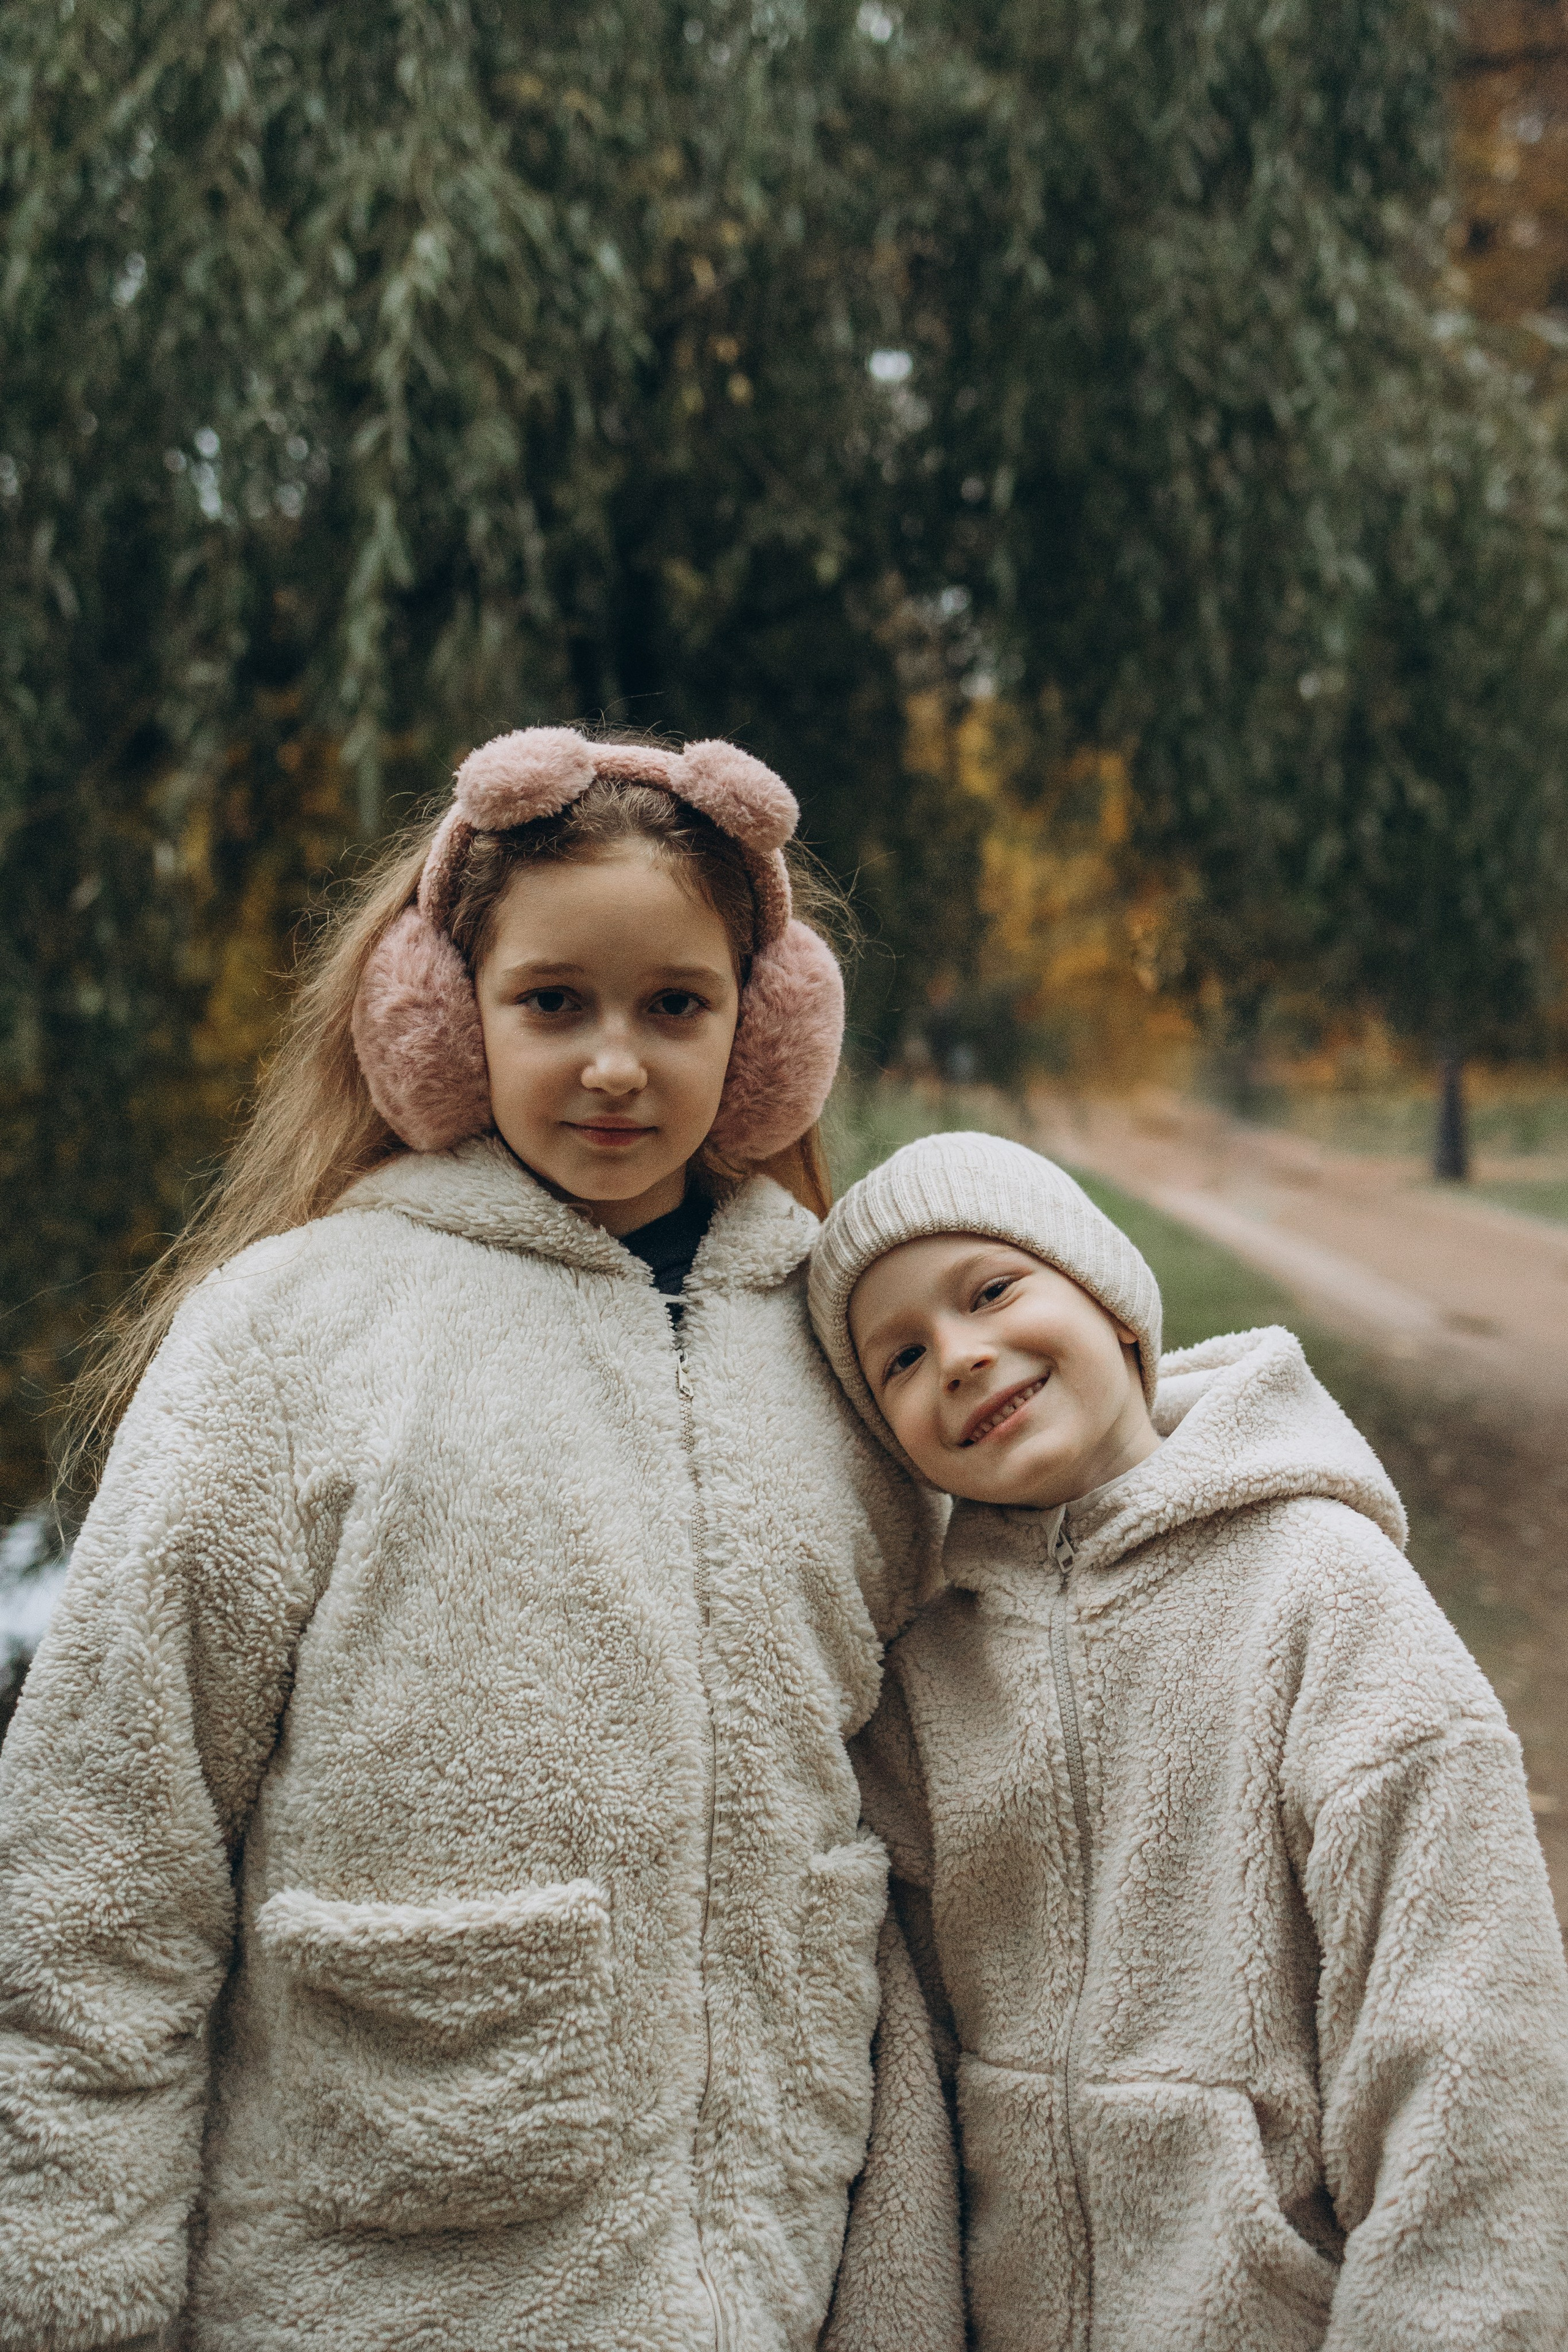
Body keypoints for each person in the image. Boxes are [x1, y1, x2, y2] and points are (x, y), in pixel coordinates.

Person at [0, 729, 963, 2352]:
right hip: (383, 2282)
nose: (615, 1061)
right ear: (442, 1019)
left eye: (676, 1005)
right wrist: (68, 2295)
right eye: (553, 1002)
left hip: (772, 2273)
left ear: (766, 1031)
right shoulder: (295, 1337)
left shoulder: (841, 1342)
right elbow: (110, 1853)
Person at [808, 1128, 1568, 2352]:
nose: (957, 1354)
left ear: (1110, 1307)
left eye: (991, 1290)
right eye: (897, 1356)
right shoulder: (924, 1677)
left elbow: (1463, 2022)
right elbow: (904, 2073)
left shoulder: (1317, 1590)